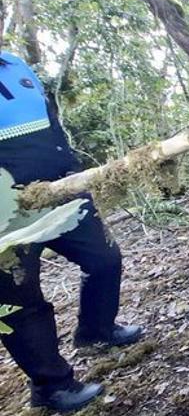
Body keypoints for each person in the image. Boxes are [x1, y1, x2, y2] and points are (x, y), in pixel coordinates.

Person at [0, 51, 143, 412]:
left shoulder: (15, 63)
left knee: (105, 259)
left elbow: (50, 120)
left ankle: (97, 330)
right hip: (6, 211)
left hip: (60, 190)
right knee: (22, 299)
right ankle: (52, 386)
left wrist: (71, 168)